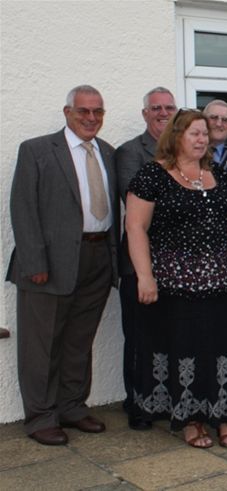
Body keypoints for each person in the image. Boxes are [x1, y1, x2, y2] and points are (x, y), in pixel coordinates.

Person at [126, 109, 227, 449]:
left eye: (204, 133)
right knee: (186, 348)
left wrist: (226, 262)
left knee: (220, 346)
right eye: (195, 133)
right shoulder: (153, 175)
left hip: (218, 283)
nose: (202, 139)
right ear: (177, 136)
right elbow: (135, 227)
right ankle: (191, 419)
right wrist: (144, 277)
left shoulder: (219, 175)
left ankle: (224, 415)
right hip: (173, 284)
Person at [9, 85, 118, 445]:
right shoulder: (38, 150)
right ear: (67, 112)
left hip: (98, 258)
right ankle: (40, 416)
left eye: (97, 112)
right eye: (83, 111)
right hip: (49, 264)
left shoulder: (108, 152)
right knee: (41, 344)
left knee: (78, 341)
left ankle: (71, 406)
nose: (91, 118)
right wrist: (33, 261)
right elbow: (23, 209)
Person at [115, 87, 177, 430]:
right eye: (156, 108)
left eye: (169, 107)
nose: (163, 112)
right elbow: (137, 206)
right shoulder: (129, 152)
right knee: (140, 338)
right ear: (145, 114)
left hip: (175, 263)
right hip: (139, 264)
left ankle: (165, 400)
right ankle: (138, 405)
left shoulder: (184, 152)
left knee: (168, 336)